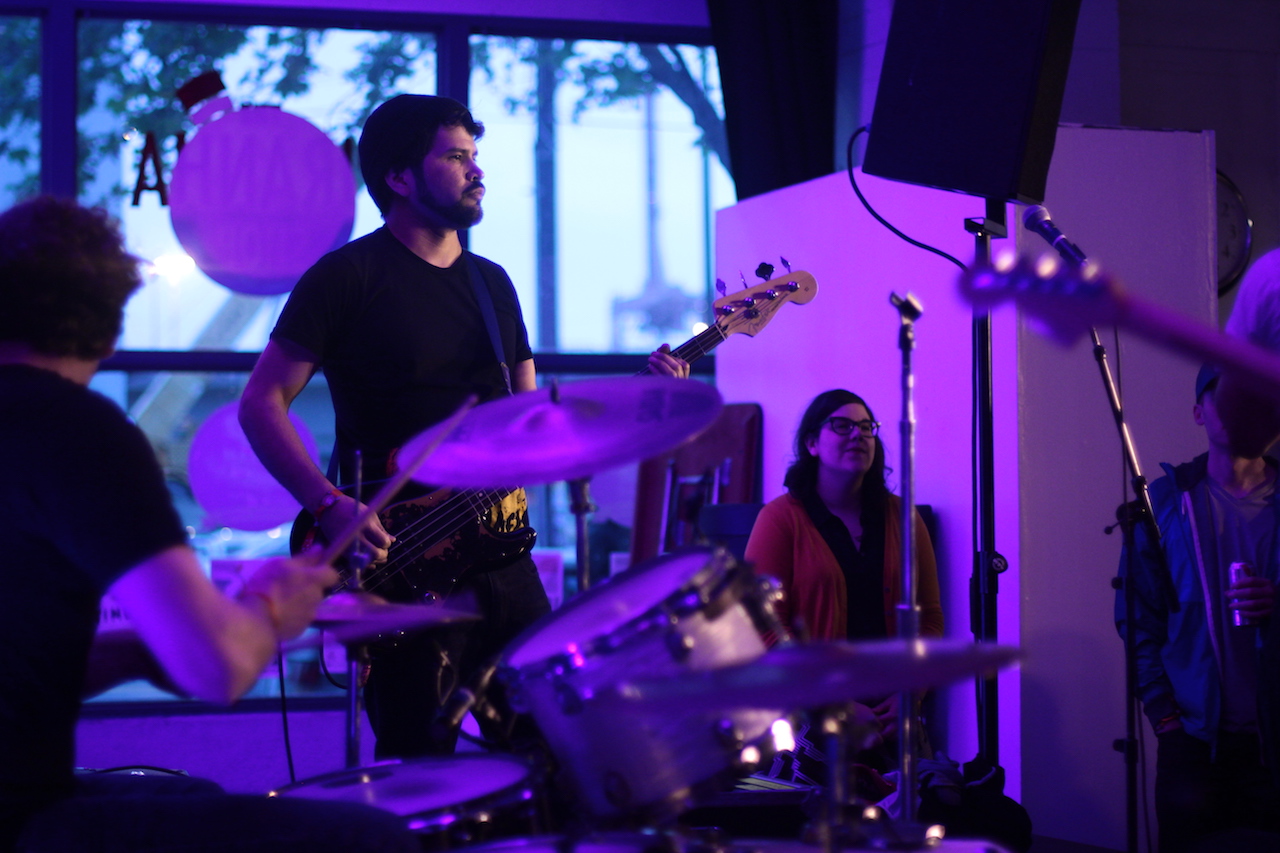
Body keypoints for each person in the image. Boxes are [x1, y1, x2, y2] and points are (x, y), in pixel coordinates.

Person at [239, 93, 688, 758]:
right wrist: (328, 504)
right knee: (421, 763)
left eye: (475, 155)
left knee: (554, 753)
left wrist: (639, 397)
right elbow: (260, 402)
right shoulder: (345, 278)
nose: (477, 170)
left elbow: (536, 424)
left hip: (503, 554)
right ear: (399, 177)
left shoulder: (492, 284)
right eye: (455, 156)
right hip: (397, 562)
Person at [0, 195, 420, 852]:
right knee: (373, 839)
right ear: (109, 332)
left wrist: (137, 649)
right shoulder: (77, 432)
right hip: (22, 817)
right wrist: (270, 604)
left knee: (194, 796)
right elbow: (220, 669)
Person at [1115, 363, 1280, 853]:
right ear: (1198, 413)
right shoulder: (1163, 504)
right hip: (1192, 742)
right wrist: (1165, 718)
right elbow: (1138, 620)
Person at [744, 388, 944, 784]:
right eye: (842, 425)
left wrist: (911, 692)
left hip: (891, 717)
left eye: (867, 427)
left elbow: (930, 619)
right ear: (812, 443)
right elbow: (760, 627)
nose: (858, 435)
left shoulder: (903, 517)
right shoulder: (780, 519)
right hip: (807, 722)